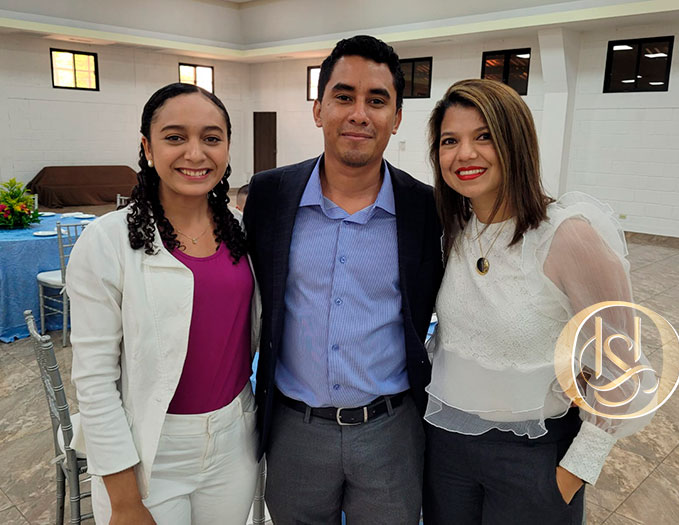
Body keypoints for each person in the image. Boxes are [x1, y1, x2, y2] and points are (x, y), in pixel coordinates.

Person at [421, 78, 656, 524]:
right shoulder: (455, 231)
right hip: (447, 448)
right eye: (450, 141)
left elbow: (623, 368)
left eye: (484, 136)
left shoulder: (566, 235)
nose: (464, 154)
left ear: (516, 143)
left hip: (533, 456)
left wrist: (574, 472)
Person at [244, 35, 443, 524]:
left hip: (390, 432)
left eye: (376, 100)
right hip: (295, 431)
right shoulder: (270, 196)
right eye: (344, 96)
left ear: (396, 118)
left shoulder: (425, 208)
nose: (359, 113)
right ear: (318, 110)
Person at [66, 83, 260, 525]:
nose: (195, 153)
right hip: (150, 450)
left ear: (227, 148)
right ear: (147, 148)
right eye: (175, 137)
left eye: (211, 138)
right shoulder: (108, 241)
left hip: (233, 439)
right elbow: (95, 381)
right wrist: (124, 500)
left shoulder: (242, 230)